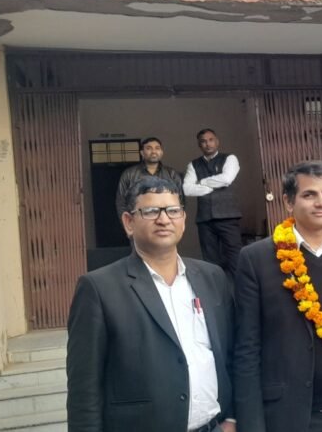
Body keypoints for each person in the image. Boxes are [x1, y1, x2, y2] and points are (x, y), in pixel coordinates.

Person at [66, 177, 235, 432]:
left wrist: (231, 418)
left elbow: (230, 353)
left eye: (173, 210)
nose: (164, 219)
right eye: (151, 211)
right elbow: (84, 389)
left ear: (183, 219)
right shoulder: (99, 288)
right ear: (129, 222)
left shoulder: (212, 277)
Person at [233, 161, 322, 432]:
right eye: (309, 195)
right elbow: (247, 348)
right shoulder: (256, 259)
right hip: (290, 415)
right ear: (288, 202)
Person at [184, 128, 242, 278]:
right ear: (199, 145)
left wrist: (201, 182)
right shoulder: (193, 165)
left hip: (228, 216)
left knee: (235, 256)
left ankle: (238, 288)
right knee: (210, 260)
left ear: (217, 142)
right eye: (203, 141)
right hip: (205, 219)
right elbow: (187, 189)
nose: (208, 144)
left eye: (211, 140)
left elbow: (226, 179)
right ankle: (216, 289)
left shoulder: (230, 158)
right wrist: (213, 187)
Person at [115, 137, 184, 216]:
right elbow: (121, 202)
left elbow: (180, 200)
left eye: (157, 148)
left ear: (161, 152)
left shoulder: (172, 174)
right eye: (149, 148)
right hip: (138, 219)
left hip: (165, 218)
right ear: (142, 153)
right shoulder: (129, 174)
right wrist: (128, 221)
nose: (154, 151)